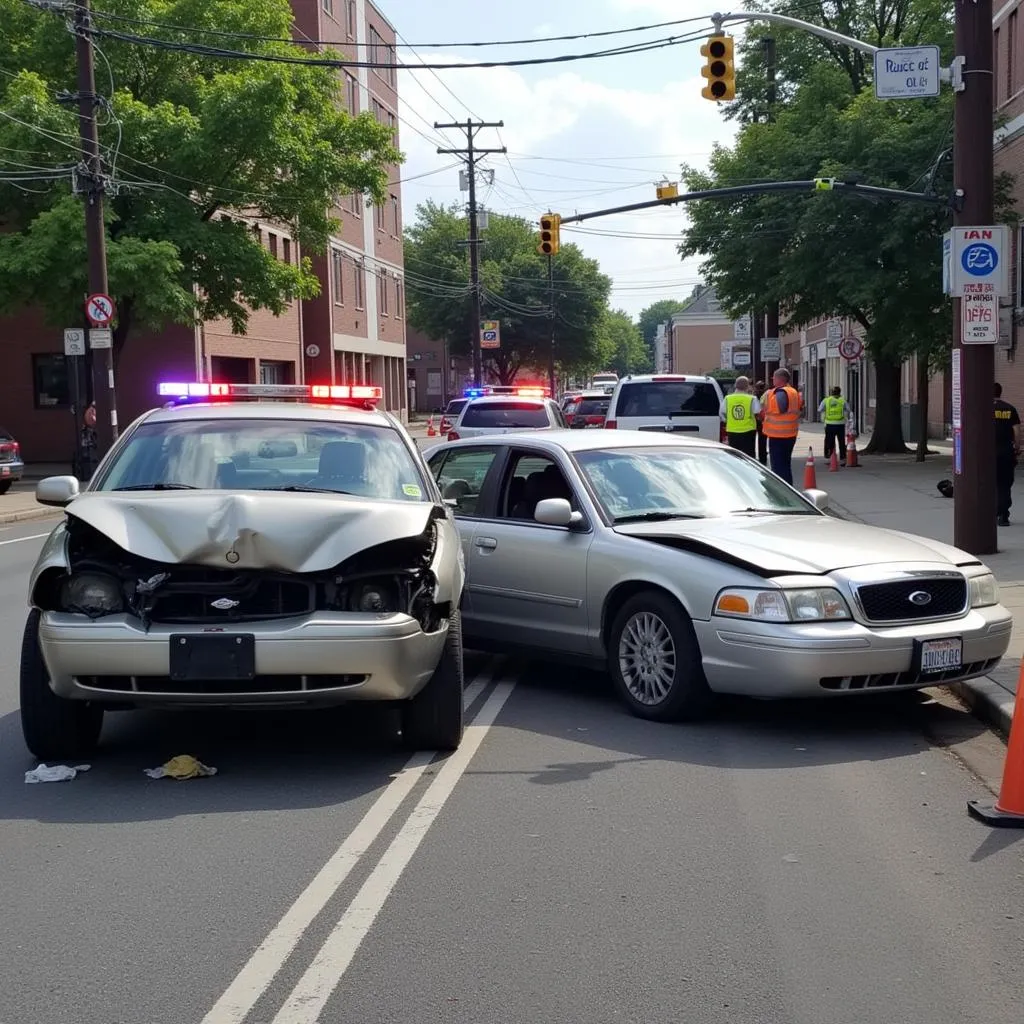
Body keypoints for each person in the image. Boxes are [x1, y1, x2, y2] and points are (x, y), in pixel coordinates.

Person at [761, 367, 803, 485]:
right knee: (785, 464)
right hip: (790, 434)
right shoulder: (792, 391)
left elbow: (781, 409)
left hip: (778, 435)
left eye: (774, 377)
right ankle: (789, 488)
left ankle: (782, 491)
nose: (772, 380)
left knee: (778, 467)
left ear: (780, 379)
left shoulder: (780, 392)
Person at [994, 382, 1021, 527]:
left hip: (988, 453)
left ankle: (991, 512)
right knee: (1005, 484)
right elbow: (1017, 431)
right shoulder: (1010, 409)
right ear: (1000, 392)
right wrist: (1017, 448)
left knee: (990, 484)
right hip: (1005, 452)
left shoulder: (983, 408)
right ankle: (1003, 515)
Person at [720, 375, 760, 457]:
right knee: (748, 457)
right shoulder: (752, 399)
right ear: (748, 386)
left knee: (735, 456)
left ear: (735, 385)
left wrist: (728, 421)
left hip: (732, 431)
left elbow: (722, 413)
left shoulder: (727, 398)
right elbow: (758, 413)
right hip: (748, 431)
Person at [818, 385, 852, 465]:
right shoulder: (842, 401)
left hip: (829, 424)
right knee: (841, 442)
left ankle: (831, 458)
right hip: (840, 424)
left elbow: (819, 409)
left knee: (830, 441)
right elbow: (849, 410)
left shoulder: (826, 400)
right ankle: (843, 459)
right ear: (840, 393)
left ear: (831, 393)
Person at [753, 380, 768, 465]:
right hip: (762, 420)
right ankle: (763, 458)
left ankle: (756, 457)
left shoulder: (753, 396)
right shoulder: (766, 396)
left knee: (755, 440)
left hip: (756, 420)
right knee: (762, 440)